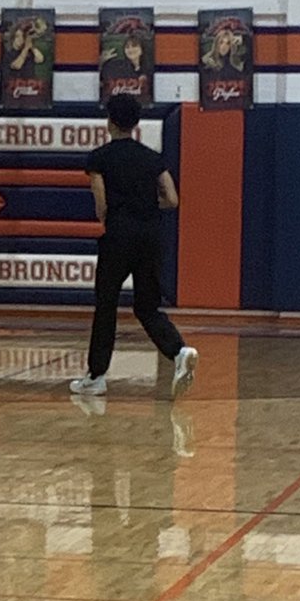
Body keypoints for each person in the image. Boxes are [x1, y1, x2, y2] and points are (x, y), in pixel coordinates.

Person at [70, 93, 198, 399]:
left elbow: (101, 205)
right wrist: (144, 203)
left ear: (110, 121)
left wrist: (117, 213)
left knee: (107, 305)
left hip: (118, 237)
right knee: (147, 306)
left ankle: (97, 377)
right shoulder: (152, 158)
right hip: (151, 238)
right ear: (136, 122)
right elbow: (172, 199)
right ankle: (179, 351)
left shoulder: (99, 158)